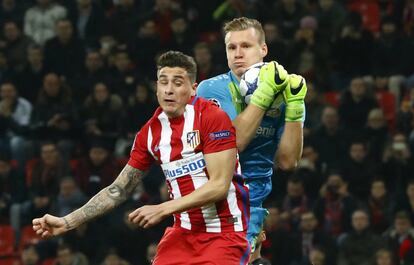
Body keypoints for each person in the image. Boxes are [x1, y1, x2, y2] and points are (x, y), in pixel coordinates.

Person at [32, 51, 251, 264]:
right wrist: (67, 221)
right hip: (183, 233)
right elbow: (117, 190)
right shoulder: (150, 133)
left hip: (225, 233)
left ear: (193, 90)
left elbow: (219, 186)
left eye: (177, 83)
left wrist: (162, 208)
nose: (169, 90)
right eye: (163, 82)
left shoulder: (212, 118)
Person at [196, 16, 306, 258]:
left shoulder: (287, 91)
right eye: (231, 47)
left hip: (251, 204)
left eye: (245, 46)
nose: (238, 54)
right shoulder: (211, 89)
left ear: (263, 49)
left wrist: (295, 106)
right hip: (208, 203)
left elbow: (288, 162)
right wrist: (264, 97)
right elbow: (233, 144)